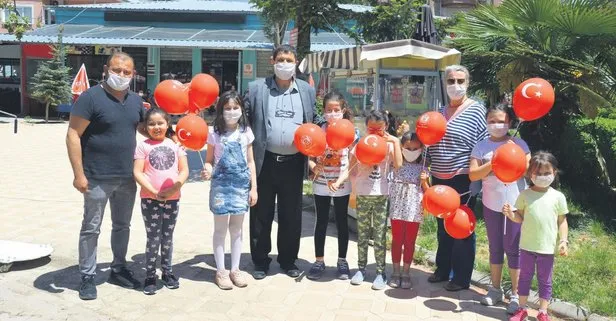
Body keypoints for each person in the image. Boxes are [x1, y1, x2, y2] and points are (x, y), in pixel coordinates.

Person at [66, 52, 145, 300]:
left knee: (122, 226)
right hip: (96, 177)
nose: (121, 75)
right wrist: (78, 174)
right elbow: (73, 135)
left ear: (133, 74)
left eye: (127, 72)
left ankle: (118, 269)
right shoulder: (90, 98)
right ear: (105, 69)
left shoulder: (135, 101)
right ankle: (87, 276)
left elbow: (146, 128)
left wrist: (173, 140)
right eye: (117, 70)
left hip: (127, 178)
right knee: (91, 228)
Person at [243, 44, 323, 280]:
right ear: (272, 61)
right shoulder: (257, 88)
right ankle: (260, 260)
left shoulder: (306, 91)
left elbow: (315, 120)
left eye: (289, 60)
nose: (285, 64)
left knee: (291, 215)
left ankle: (288, 260)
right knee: (261, 213)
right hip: (264, 161)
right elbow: (243, 116)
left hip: (294, 162)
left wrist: (335, 126)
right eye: (281, 59)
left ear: (296, 62)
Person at [426, 64, 488, 292]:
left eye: (460, 81)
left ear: (468, 84)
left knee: (462, 227)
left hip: (462, 179)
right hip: (438, 178)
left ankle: (461, 278)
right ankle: (442, 269)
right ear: (445, 84)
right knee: (442, 226)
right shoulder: (439, 112)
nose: (455, 85)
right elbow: (428, 143)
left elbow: (482, 145)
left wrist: (479, 177)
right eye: (451, 81)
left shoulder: (476, 111)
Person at [469, 104, 531, 312]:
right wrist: (495, 162)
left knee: (514, 250)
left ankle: (516, 295)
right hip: (491, 204)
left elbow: (528, 171)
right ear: (486, 123)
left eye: (502, 121)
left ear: (510, 123)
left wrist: (512, 154)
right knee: (495, 248)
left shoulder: (519, 144)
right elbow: (473, 174)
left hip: (515, 205)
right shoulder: (481, 146)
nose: (497, 125)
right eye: (493, 121)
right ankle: (495, 290)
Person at [503, 152, 569, 321]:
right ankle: (522, 308)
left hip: (547, 248)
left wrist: (563, 241)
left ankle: (543, 311)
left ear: (554, 173)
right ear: (529, 174)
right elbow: (520, 218)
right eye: (537, 173)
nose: (542, 176)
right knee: (524, 278)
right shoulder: (525, 195)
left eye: (546, 173)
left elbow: (562, 221)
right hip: (526, 246)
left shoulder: (558, 197)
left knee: (544, 280)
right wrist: (511, 215)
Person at [202, 91, 258, 290]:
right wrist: (207, 169)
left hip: (241, 186)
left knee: (237, 229)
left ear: (241, 109)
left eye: (235, 108)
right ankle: (221, 271)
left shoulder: (246, 132)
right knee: (220, 229)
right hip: (220, 186)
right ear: (220, 110)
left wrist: (254, 189)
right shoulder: (214, 133)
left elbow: (251, 162)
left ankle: (235, 269)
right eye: (227, 108)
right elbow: (209, 160)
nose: (232, 112)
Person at [133, 107, 188, 295]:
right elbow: (137, 172)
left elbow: (184, 171)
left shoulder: (176, 145)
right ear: (146, 127)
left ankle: (167, 271)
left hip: (173, 199)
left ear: (167, 124)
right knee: (153, 237)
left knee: (167, 237)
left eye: (160, 123)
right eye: (151, 123)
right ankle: (149, 275)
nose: (156, 127)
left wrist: (174, 188)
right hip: (150, 200)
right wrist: (154, 191)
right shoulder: (143, 146)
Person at [306, 91, 358, 281]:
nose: (333, 113)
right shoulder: (318, 130)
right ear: (324, 111)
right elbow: (310, 159)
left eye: (336, 110)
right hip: (320, 184)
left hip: (341, 185)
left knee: (341, 222)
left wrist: (339, 181)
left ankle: (342, 261)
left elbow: (353, 163)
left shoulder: (351, 132)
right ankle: (319, 261)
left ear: (343, 110)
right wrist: (315, 167)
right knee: (321, 222)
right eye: (329, 110)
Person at [349, 110, 403, 290]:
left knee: (380, 235)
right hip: (363, 195)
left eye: (379, 128)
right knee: (362, 234)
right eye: (371, 128)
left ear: (386, 127)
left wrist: (395, 141)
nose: (374, 132)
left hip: (381, 195)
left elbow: (399, 165)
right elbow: (352, 170)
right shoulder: (360, 144)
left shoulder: (389, 145)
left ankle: (381, 273)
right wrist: (353, 192)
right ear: (366, 127)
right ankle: (361, 269)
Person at [388, 131, 430, 289]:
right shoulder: (395, 164)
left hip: (414, 208)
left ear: (421, 149)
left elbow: (428, 191)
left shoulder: (423, 168)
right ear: (401, 148)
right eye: (407, 148)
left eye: (415, 148)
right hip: (397, 207)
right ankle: (395, 272)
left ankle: (406, 272)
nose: (411, 152)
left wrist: (425, 181)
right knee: (397, 239)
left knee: (410, 241)